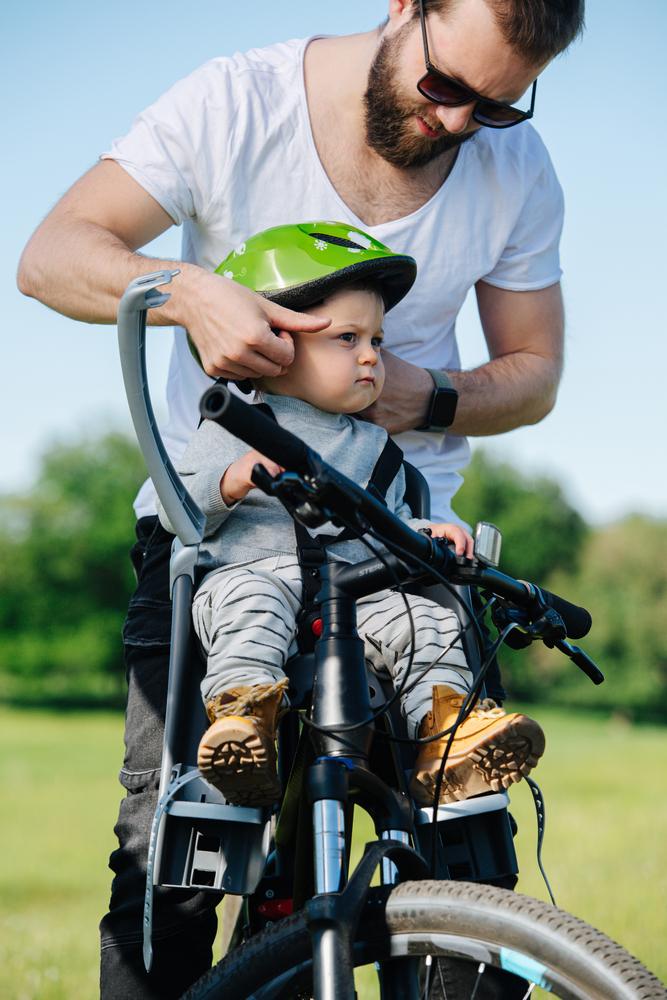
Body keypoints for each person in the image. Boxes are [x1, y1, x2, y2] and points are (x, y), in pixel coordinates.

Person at [16, 1, 585, 994]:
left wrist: (428, 397)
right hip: (225, 542)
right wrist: (183, 288)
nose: (459, 124)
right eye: (446, 86)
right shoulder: (235, 103)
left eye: (497, 106)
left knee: (468, 854)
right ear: (405, 8)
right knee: (178, 849)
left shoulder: (518, 170)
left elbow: (535, 374)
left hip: (394, 550)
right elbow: (49, 256)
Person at [156, 222, 545, 810]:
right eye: (347, 338)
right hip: (258, 576)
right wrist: (230, 479)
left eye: (377, 341)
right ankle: (243, 724)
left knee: (424, 620)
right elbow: (174, 509)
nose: (370, 355)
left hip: (355, 597)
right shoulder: (234, 426)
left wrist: (425, 533)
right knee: (251, 607)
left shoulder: (375, 448)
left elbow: (381, 526)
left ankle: (447, 737)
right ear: (271, 344)